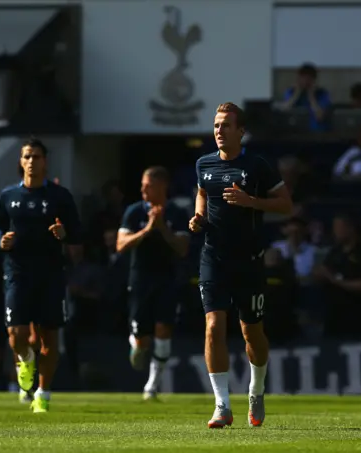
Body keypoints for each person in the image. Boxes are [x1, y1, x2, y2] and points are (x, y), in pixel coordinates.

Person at [190, 102, 293, 428]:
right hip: (213, 258)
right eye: (216, 125)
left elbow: (286, 205)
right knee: (213, 327)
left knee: (252, 333)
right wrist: (198, 217)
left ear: (240, 131)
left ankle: (256, 389)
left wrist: (252, 202)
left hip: (248, 261)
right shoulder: (204, 163)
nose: (219, 130)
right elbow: (203, 194)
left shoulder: (256, 165)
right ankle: (222, 406)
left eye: (225, 125)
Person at [0, 137, 82, 413]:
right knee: (16, 335)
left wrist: (65, 235)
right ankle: (25, 359)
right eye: (27, 156)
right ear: (21, 162)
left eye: (37, 157)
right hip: (18, 273)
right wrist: (3, 241)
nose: (32, 161)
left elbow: (78, 233)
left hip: (51, 274)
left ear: (45, 162)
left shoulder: (60, 196)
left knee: (49, 337)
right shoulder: (8, 196)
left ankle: (43, 394)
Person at [116, 166, 190, 400]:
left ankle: (152, 385)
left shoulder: (177, 213)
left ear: (162, 187)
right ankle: (136, 345)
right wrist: (148, 229)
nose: (143, 190)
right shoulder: (134, 212)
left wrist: (162, 228)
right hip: (140, 279)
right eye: (142, 185)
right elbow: (121, 245)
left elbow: (183, 248)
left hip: (167, 278)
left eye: (148, 185)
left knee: (164, 329)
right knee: (142, 339)